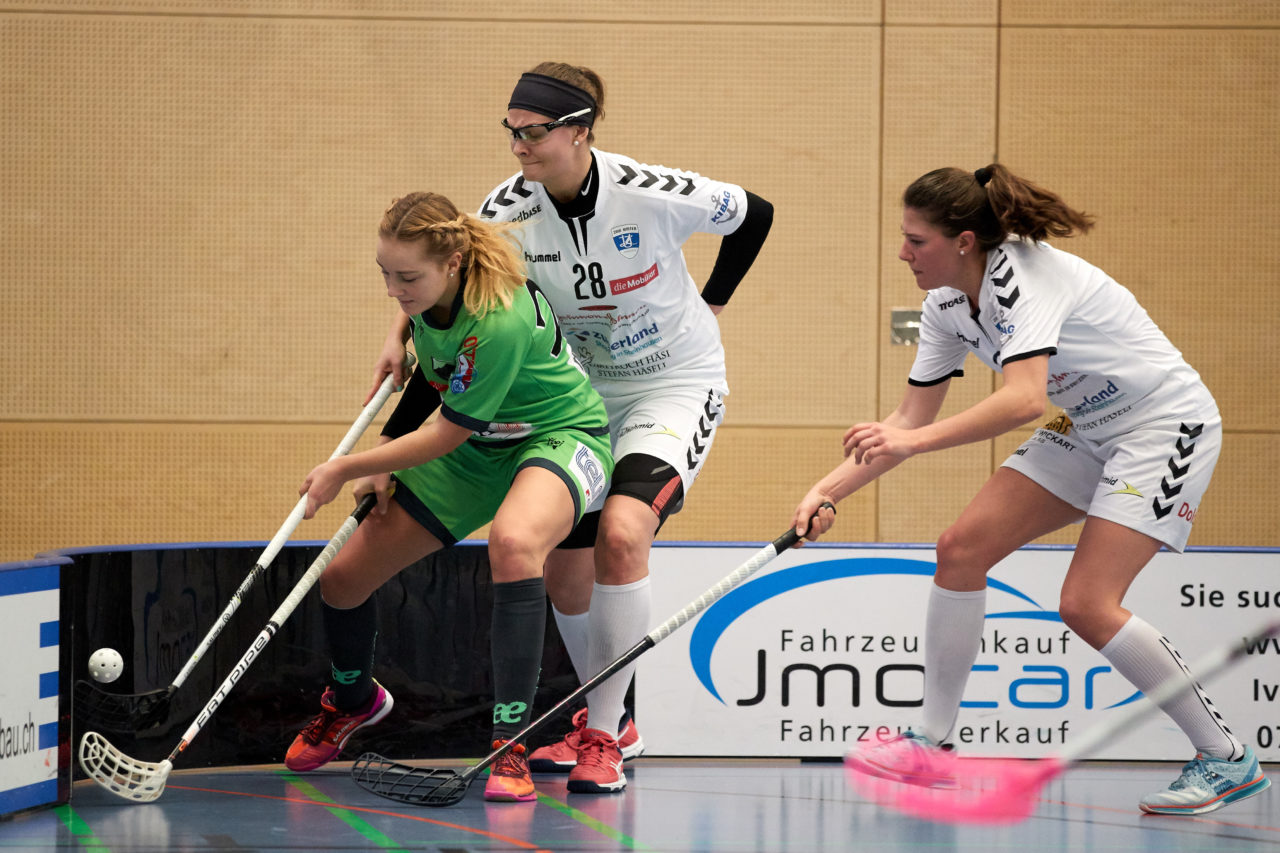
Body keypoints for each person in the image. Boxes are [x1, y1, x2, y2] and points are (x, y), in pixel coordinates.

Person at [792, 164, 1269, 816]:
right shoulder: (945, 308)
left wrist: (909, 443)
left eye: (916, 240)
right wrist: (827, 490)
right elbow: (905, 423)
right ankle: (932, 744)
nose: (902, 253)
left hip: (1163, 423)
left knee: (1087, 602)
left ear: (964, 240)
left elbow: (1023, 398)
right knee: (960, 549)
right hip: (1089, 426)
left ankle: (1225, 757)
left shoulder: (1026, 275)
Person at [369, 62, 773, 794]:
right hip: (583, 397)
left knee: (623, 532)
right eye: (512, 132)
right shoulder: (507, 206)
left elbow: (757, 212)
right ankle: (611, 722)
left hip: (671, 386)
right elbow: (440, 267)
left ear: (581, 131)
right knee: (564, 566)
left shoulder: (652, 192)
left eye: (535, 132)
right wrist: (400, 329)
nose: (520, 146)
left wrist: (712, 302)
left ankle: (603, 734)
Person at [284, 191, 614, 805]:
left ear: (455, 262)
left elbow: (446, 429)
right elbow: (425, 337)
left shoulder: (498, 321)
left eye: (407, 278)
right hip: (477, 452)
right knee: (342, 580)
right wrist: (396, 337)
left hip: (559, 437)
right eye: (385, 273)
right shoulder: (433, 289)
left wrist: (348, 465)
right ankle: (355, 703)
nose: (393, 289)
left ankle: (507, 744)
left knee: (513, 545)